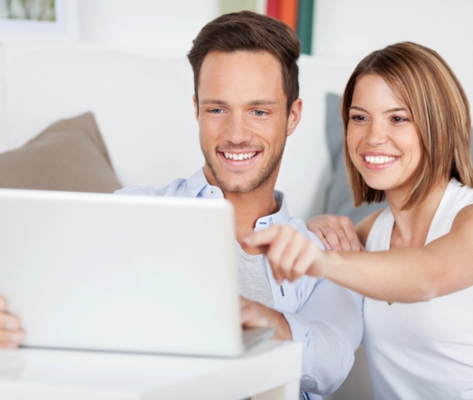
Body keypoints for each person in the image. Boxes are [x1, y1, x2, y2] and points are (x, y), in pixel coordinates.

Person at [0, 11, 362, 399]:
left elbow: (332, 361)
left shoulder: (326, 251)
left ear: (292, 116)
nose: (236, 135)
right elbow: (49, 301)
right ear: (196, 110)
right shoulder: (128, 214)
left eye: (259, 111)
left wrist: (264, 321)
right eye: (217, 109)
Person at [245, 42, 473, 399]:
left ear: (438, 124)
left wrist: (320, 260)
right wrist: (315, 229)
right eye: (359, 117)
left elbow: (427, 276)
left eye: (398, 118)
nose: (373, 137)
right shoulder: (370, 233)